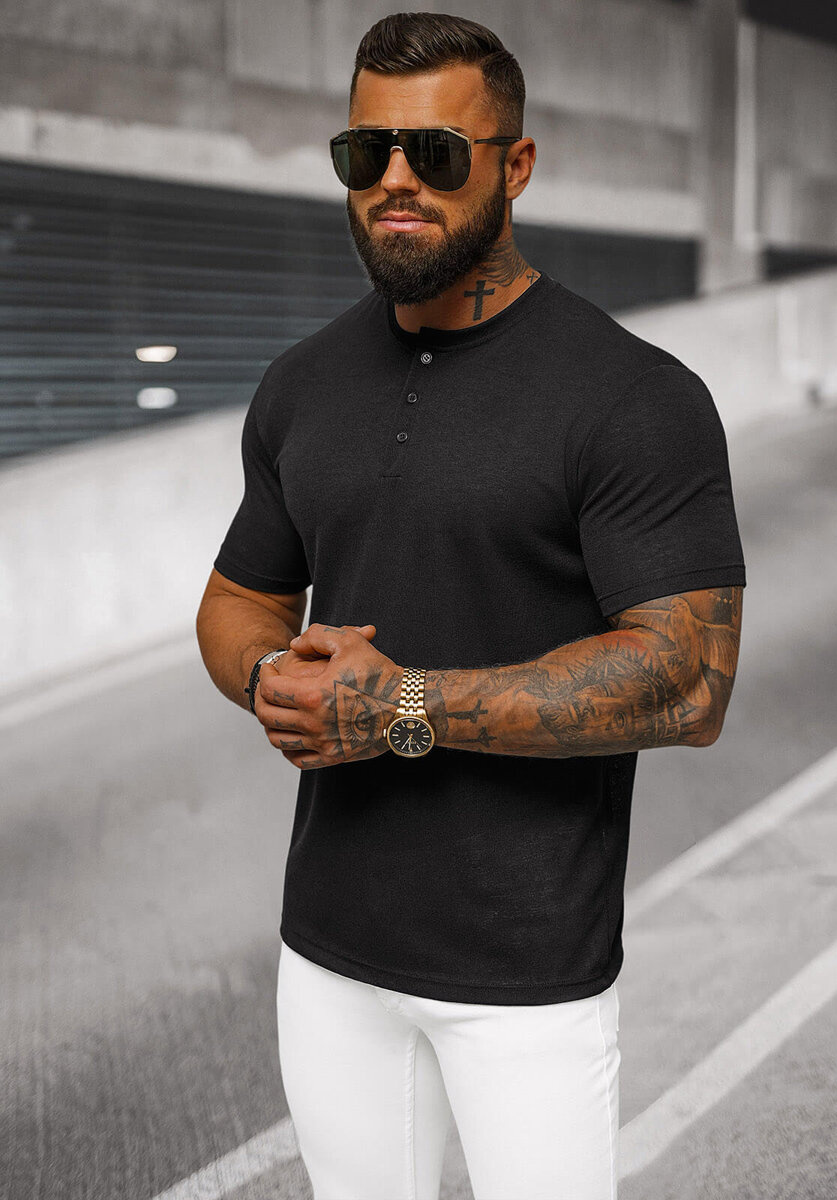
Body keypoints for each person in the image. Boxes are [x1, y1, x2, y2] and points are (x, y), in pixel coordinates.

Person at [195, 11, 746, 1200]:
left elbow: (691, 682)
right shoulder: (300, 385)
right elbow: (238, 597)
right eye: (367, 152)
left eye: (437, 153)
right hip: (328, 954)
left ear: (516, 164)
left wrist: (398, 704)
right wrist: (268, 677)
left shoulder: (634, 398)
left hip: (526, 973)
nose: (396, 181)